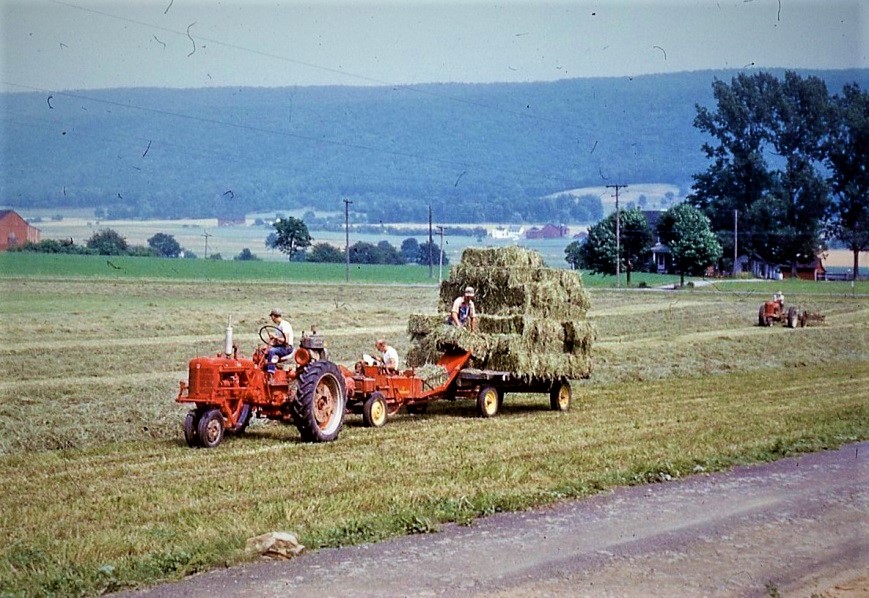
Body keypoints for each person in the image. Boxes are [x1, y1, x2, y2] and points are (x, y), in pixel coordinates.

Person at [266, 308, 294, 378]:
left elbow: (286, 341)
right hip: (281, 347)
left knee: (272, 351)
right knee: (264, 351)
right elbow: (277, 342)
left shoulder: (284, 325)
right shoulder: (278, 326)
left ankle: (271, 372)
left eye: (271, 317)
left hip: (287, 348)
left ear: (273, 316)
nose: (272, 319)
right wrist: (269, 345)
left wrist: (275, 337)